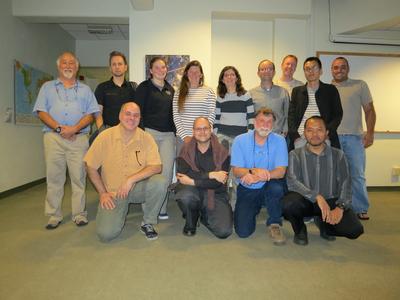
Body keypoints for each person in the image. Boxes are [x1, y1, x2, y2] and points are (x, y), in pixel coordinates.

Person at [33, 51, 100, 229]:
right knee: (54, 178)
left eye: (72, 63)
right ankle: (54, 215)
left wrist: (74, 129)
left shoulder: (85, 90)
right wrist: (60, 128)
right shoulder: (47, 87)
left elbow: (91, 114)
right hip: (53, 138)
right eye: (65, 63)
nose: (68, 65)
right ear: (59, 66)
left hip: (79, 139)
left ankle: (79, 214)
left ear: (77, 67)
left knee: (79, 177)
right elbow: (41, 111)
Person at [84, 102, 167, 242]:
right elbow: (90, 166)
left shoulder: (146, 138)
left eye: (136, 115)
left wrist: (131, 180)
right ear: (120, 116)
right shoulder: (105, 136)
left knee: (160, 182)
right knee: (106, 234)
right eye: (128, 114)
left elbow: (157, 166)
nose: (132, 118)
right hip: (113, 193)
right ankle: (116, 213)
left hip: (136, 188)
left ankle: (147, 222)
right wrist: (102, 193)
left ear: (140, 119)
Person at [282, 116, 364, 245]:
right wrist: (317, 197)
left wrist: (340, 207)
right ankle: (300, 230)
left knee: (355, 230)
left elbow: (345, 183)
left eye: (319, 130)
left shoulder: (338, 155)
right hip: (307, 201)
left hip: (331, 201)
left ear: (326, 133)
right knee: (288, 204)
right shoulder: (295, 155)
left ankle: (324, 224)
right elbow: (292, 182)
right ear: (304, 134)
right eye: (310, 130)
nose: (314, 134)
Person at [231, 108, 288, 245]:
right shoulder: (240, 140)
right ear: (255, 122)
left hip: (270, 185)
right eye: (262, 120)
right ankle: (255, 207)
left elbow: (281, 171)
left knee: (276, 188)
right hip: (248, 187)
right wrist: (252, 171)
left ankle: (274, 223)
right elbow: (236, 171)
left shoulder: (280, 141)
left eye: (269, 122)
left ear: (273, 125)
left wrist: (261, 176)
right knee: (243, 232)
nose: (265, 125)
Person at [331, 57, 376, 220]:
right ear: (331, 70)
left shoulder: (360, 85)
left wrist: (370, 133)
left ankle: (360, 207)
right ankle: (337, 206)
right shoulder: (327, 88)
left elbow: (370, 110)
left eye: (343, 67)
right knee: (334, 175)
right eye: (335, 68)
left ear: (348, 69)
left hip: (354, 138)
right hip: (333, 138)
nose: (339, 70)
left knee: (357, 174)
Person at [175, 117, 232, 238]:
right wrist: (210, 175)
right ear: (193, 131)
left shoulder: (222, 152)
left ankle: (205, 216)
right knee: (186, 196)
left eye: (205, 128)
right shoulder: (185, 149)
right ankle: (192, 218)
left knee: (224, 232)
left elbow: (217, 183)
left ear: (211, 130)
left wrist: (192, 181)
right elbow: (182, 173)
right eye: (198, 129)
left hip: (215, 193)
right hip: (192, 191)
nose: (202, 132)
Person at [135, 57, 175, 220]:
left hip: (167, 136)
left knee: (165, 172)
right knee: (150, 172)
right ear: (150, 70)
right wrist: (142, 133)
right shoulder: (144, 88)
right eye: (157, 67)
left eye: (163, 67)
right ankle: (149, 209)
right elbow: (138, 112)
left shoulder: (170, 89)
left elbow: (174, 115)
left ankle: (162, 208)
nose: (161, 70)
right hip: (149, 133)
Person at [288, 56, 343, 151]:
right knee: (299, 165)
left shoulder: (330, 90)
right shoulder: (297, 91)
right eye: (307, 69)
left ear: (321, 71)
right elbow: (291, 116)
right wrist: (295, 136)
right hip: (301, 137)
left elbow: (338, 114)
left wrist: (327, 133)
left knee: (326, 165)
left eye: (314, 68)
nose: (311, 71)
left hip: (324, 138)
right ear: (304, 72)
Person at [173, 60, 216, 153]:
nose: (194, 74)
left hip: (203, 138)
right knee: (183, 167)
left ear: (201, 75)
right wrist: (185, 137)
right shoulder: (178, 92)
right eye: (191, 72)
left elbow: (212, 115)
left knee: (202, 167)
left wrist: (202, 133)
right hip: (182, 138)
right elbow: (176, 117)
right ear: (186, 74)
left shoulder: (209, 91)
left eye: (197, 72)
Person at [94, 51, 137, 133]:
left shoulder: (133, 88)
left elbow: (137, 112)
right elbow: (97, 113)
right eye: (114, 64)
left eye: (120, 64)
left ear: (125, 67)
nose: (117, 67)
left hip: (129, 132)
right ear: (110, 68)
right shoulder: (102, 87)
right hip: (109, 131)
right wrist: (102, 131)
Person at [250, 59, 290, 136]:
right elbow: (250, 117)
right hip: (258, 135)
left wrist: (285, 130)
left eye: (269, 69)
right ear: (258, 73)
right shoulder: (251, 94)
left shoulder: (283, 92)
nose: (266, 71)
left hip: (278, 135)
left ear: (274, 72)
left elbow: (287, 114)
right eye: (263, 69)